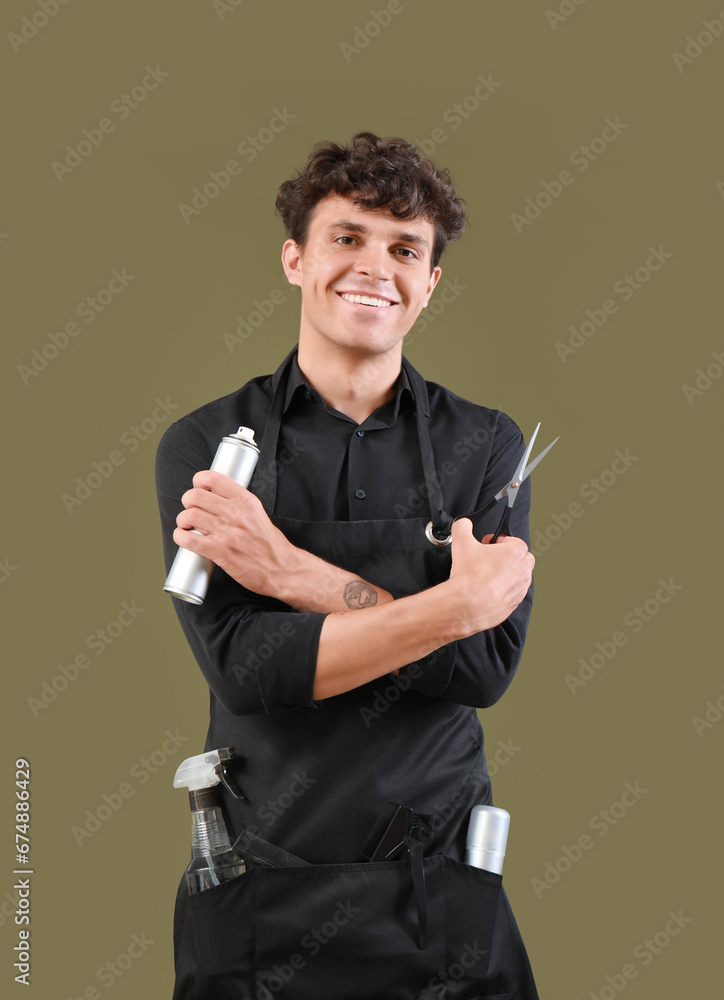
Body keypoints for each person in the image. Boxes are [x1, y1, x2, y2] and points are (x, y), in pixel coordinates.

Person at [155, 131, 540, 999]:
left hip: (442, 884)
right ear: (295, 259)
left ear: (429, 283)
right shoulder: (207, 448)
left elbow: (484, 669)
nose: (376, 266)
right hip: (258, 884)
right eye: (347, 238)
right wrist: (450, 608)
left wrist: (289, 572)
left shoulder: (487, 446)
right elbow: (250, 668)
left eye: (406, 248)